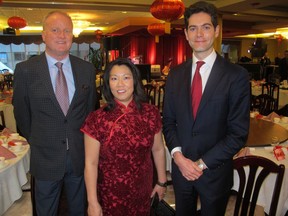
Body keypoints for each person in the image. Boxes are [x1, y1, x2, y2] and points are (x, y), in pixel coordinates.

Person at [162, 1, 250, 216]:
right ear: (185, 33)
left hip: (215, 173)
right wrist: (178, 157)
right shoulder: (175, 75)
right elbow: (168, 121)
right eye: (193, 28)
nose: (199, 33)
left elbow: (238, 133)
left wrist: (200, 165)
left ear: (217, 31)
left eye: (206, 27)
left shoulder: (236, 76)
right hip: (181, 171)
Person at [12, 11, 97, 215]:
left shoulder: (86, 69)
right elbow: (22, 114)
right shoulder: (26, 70)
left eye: (67, 30)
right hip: (45, 156)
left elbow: (90, 111)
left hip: (78, 155)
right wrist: (38, 139)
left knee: (78, 208)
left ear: (73, 35)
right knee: (45, 210)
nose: (62, 35)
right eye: (55, 30)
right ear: (43, 35)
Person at [81, 57, 167, 216]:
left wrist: (162, 182)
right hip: (110, 194)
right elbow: (91, 163)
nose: (120, 84)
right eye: (114, 78)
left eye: (126, 78)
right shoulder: (97, 119)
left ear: (135, 81)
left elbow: (158, 149)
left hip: (143, 190)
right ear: (108, 84)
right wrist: (92, 202)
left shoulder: (150, 113)